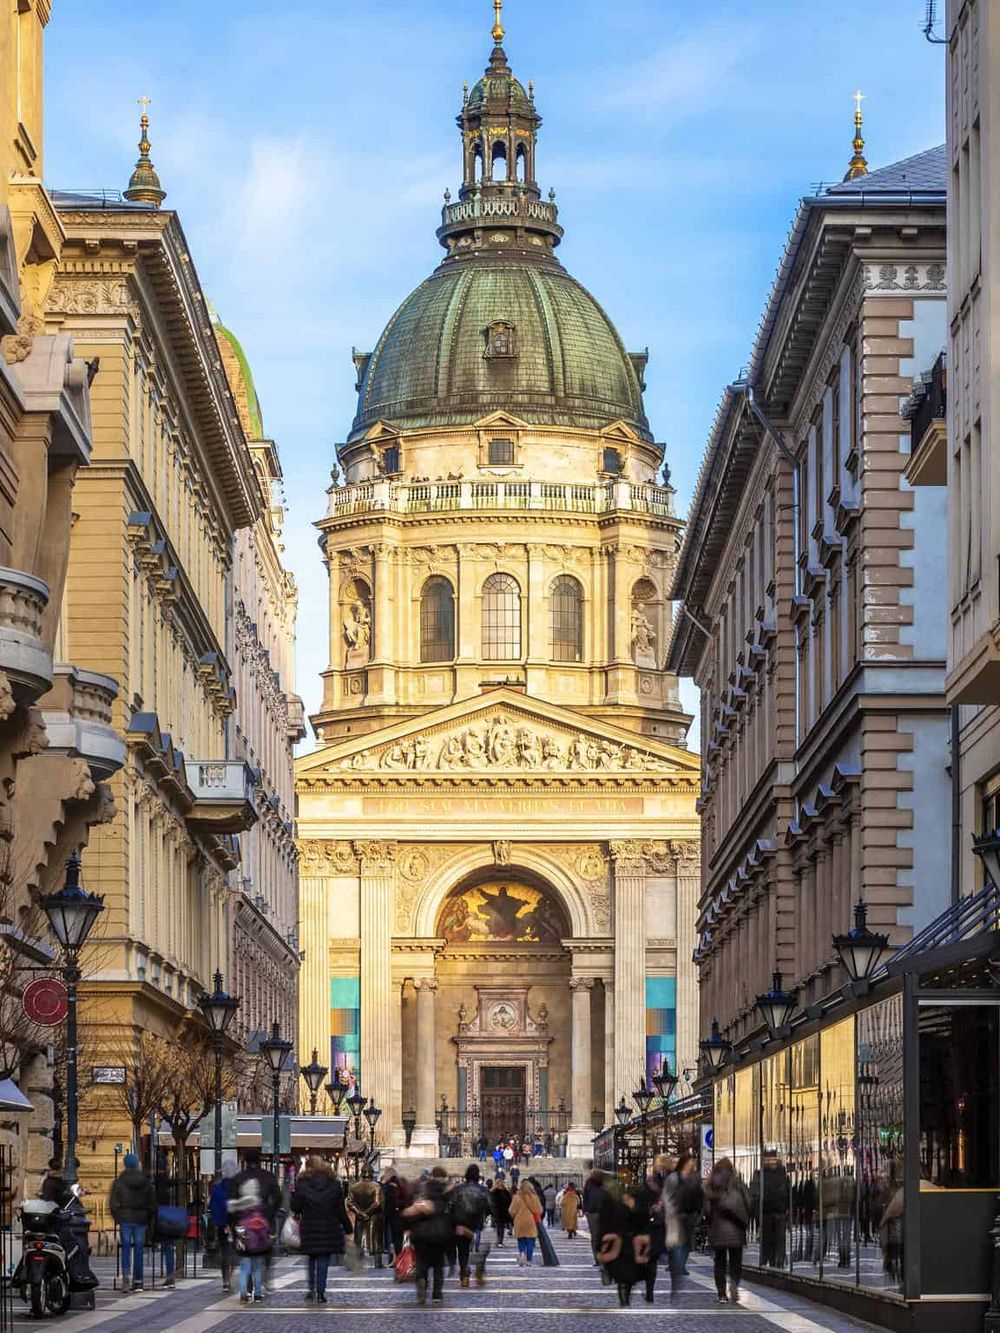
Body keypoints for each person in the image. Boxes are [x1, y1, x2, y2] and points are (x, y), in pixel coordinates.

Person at [290, 1156, 352, 1302]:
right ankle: (321, 1292)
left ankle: (311, 1289)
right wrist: (348, 1228)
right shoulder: (334, 1184)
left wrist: (295, 1197)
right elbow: (340, 1209)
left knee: (311, 1259)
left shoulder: (302, 1183)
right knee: (323, 1260)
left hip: (309, 1227)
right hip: (329, 1228)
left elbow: (295, 1207)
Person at [704, 1157, 751, 1305]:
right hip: (736, 1228)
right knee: (736, 1261)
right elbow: (748, 1203)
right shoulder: (738, 1183)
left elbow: (706, 1210)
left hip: (718, 1229)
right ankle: (734, 1284)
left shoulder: (709, 1185)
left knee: (719, 1262)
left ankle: (721, 1294)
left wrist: (711, 1221)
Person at [403, 1166, 454, 1304]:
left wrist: (409, 1227)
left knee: (422, 1262)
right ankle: (437, 1294)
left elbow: (408, 1212)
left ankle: (422, 1281)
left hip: (421, 1234)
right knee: (438, 1266)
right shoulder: (446, 1194)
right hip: (440, 1233)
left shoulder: (423, 1192)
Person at [108, 1152, 156, 1293]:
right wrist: (148, 1216)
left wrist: (117, 1216)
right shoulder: (145, 1181)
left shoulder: (119, 1181)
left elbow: (112, 1202)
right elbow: (152, 1202)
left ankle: (126, 1278)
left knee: (126, 1248)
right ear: (137, 1164)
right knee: (139, 1249)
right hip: (141, 1219)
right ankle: (138, 1280)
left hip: (125, 1217)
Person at [598, 1185, 650, 1307]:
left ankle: (624, 1296)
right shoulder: (620, 1210)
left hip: (628, 1246)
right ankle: (624, 1297)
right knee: (624, 1275)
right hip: (623, 1247)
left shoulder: (638, 1211)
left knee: (628, 1276)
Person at [229, 1179, 272, 1303]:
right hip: (259, 1241)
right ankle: (257, 1294)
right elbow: (267, 1222)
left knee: (244, 1268)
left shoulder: (238, 1206)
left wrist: (236, 1236)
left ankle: (243, 1294)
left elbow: (233, 1222)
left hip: (244, 1240)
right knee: (258, 1268)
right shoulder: (261, 1205)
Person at [449, 1164, 492, 1287]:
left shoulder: (457, 1189)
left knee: (463, 1252)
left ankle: (464, 1275)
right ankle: (479, 1269)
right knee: (480, 1249)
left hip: (461, 1224)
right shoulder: (483, 1190)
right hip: (477, 1224)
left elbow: (450, 1207)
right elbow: (490, 1207)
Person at [750, 1149, 789, 1269]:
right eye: (767, 1159)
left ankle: (778, 1261)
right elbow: (755, 1195)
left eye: (772, 1158)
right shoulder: (759, 1174)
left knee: (778, 1240)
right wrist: (757, 1214)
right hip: (766, 1213)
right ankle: (771, 1260)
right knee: (768, 1240)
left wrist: (787, 1208)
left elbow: (787, 1192)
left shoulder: (782, 1173)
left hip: (778, 1212)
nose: (770, 1161)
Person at [209, 1163, 237, 1293]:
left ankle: (226, 1280)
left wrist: (220, 1222)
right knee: (236, 1251)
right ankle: (231, 1273)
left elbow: (213, 1208)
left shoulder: (217, 1189)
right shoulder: (237, 1189)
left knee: (224, 1252)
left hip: (223, 1226)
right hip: (235, 1224)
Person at [347, 1168, 384, 1268]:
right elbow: (377, 1202)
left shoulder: (353, 1187)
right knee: (376, 1241)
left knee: (359, 1240)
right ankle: (378, 1263)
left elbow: (349, 1203)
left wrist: (360, 1213)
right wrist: (367, 1213)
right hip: (374, 1218)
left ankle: (357, 1263)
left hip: (360, 1217)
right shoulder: (376, 1186)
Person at [509, 1179, 541, 1266]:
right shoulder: (534, 1198)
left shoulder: (516, 1197)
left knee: (521, 1240)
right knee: (530, 1241)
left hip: (519, 1221)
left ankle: (522, 1253)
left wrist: (514, 1216)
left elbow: (511, 1210)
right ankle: (529, 1260)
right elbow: (539, 1210)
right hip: (531, 1222)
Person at [582, 1169, 609, 1265]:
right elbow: (585, 1197)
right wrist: (585, 1210)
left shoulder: (602, 1184)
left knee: (600, 1236)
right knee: (596, 1236)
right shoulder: (590, 1184)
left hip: (601, 1213)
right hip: (593, 1212)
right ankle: (598, 1258)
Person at [381, 1167, 405, 1261]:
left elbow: (387, 1203)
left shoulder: (389, 1186)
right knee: (397, 1240)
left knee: (391, 1239)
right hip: (400, 1215)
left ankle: (393, 1258)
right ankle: (398, 1257)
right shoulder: (399, 1184)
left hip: (391, 1216)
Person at [490, 1176, 511, 1246]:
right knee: (500, 1228)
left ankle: (499, 1241)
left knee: (500, 1227)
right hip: (500, 1212)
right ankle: (499, 1241)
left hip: (499, 1212)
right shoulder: (500, 1192)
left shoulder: (496, 1192)